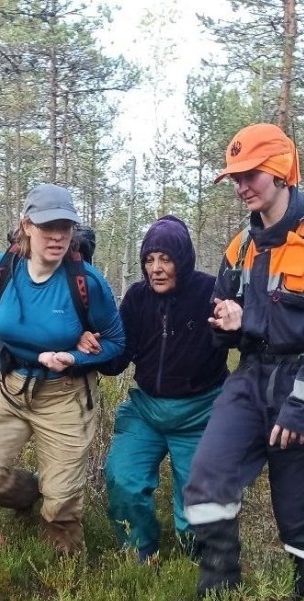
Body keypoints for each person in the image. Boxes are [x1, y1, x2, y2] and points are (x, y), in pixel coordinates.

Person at [181, 123, 304, 601]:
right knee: (206, 481)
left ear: (281, 170)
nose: (241, 186)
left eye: (251, 175)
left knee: (300, 516)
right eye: (235, 178)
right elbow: (222, 321)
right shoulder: (240, 245)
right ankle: (219, 597)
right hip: (252, 378)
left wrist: (303, 405)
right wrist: (227, 322)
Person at [0, 183, 125, 555]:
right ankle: (30, 493)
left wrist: (75, 358)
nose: (58, 236)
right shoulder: (2, 269)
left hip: (65, 396)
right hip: (8, 387)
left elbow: (116, 342)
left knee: (61, 505)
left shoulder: (86, 282)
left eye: (65, 227)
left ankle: (62, 575)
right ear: (27, 226)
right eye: (48, 226)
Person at [96, 215, 230, 562]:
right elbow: (118, 359)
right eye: (149, 259)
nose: (156, 268)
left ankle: (194, 563)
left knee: (197, 508)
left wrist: (233, 328)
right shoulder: (137, 298)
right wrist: (93, 350)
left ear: (182, 260)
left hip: (201, 415)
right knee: (123, 478)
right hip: (146, 412)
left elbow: (240, 340)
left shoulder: (210, 293)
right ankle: (139, 553)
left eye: (166, 259)